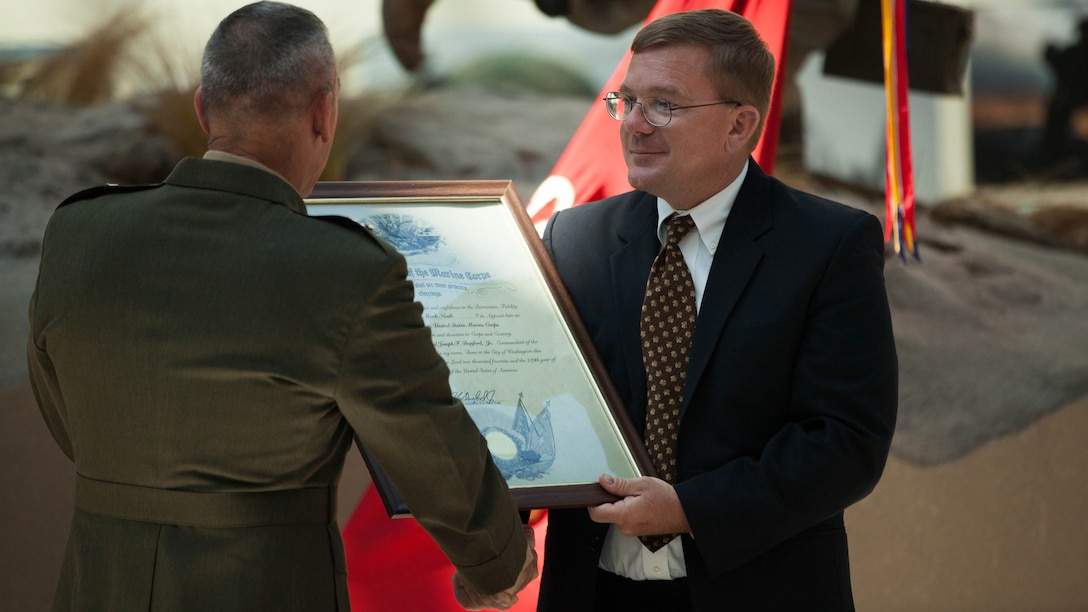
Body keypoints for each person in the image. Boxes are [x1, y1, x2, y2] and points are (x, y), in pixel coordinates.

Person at [26, 2, 535, 610]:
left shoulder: (79, 231)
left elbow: (64, 412)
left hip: (99, 583)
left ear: (201, 107)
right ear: (324, 113)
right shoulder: (345, 268)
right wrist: (497, 561)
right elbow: (427, 439)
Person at [538, 9, 898, 611]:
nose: (634, 125)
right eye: (625, 100)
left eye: (664, 105)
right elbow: (542, 403)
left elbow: (845, 440)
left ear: (739, 126)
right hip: (592, 592)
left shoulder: (829, 246)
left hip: (760, 591)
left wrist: (687, 509)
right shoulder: (573, 238)